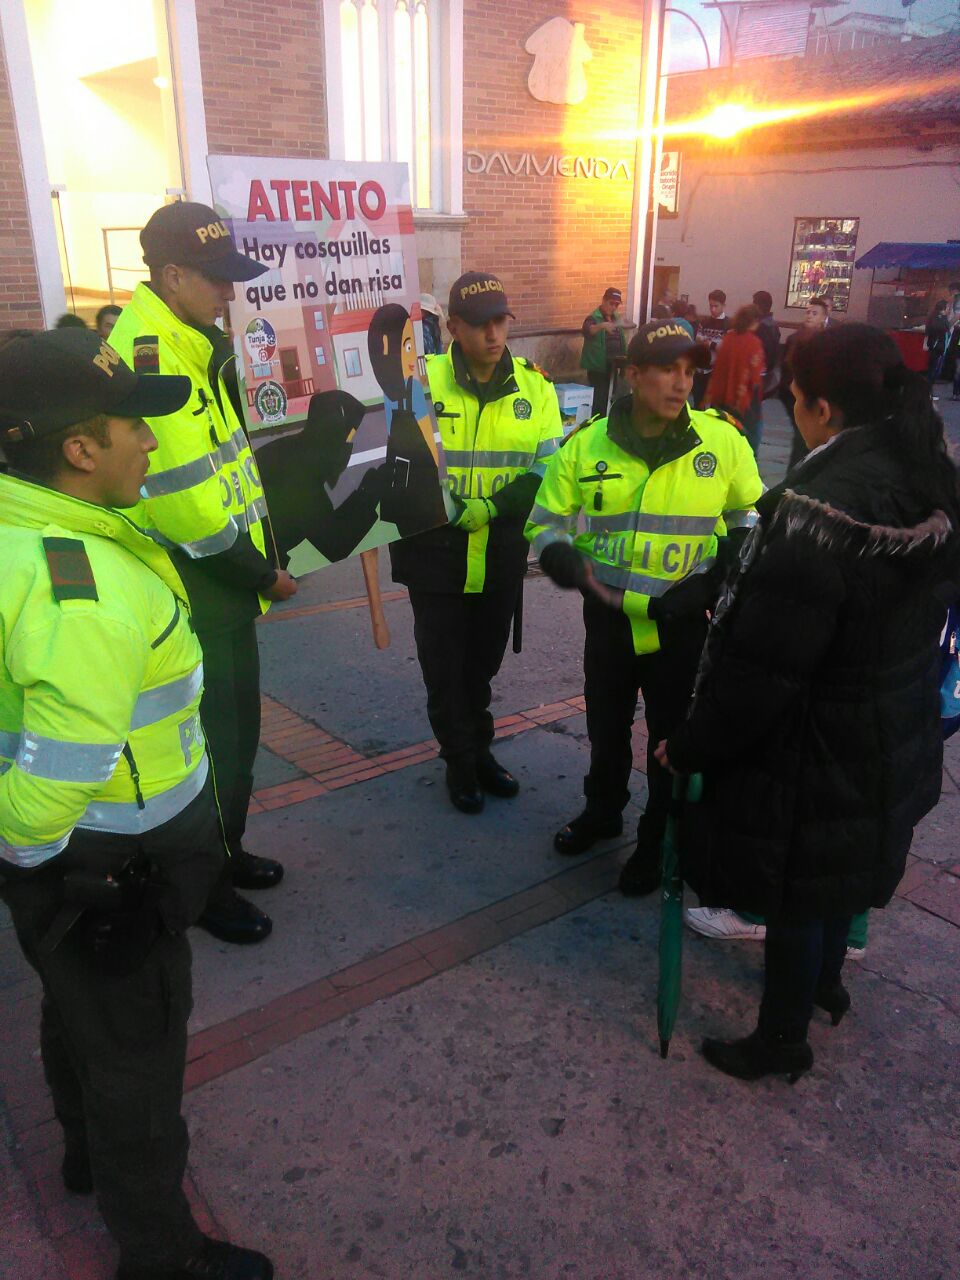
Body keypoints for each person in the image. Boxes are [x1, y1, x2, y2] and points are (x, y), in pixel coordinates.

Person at [0, 328, 273, 1279]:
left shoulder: (27, 533)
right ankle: (161, 1256)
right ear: (80, 449)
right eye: (134, 428)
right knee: (139, 1064)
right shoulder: (79, 585)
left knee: (76, 1014)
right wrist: (48, 874)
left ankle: (84, 1153)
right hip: (112, 862)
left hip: (82, 862)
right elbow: (53, 782)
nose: (152, 443)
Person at [656, 323, 959, 1081]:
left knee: (797, 889)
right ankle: (827, 986)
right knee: (836, 874)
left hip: (815, 742)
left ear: (822, 409)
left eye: (793, 398)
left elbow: (762, 672)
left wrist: (688, 745)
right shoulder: (925, 471)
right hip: (890, 720)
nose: (791, 410)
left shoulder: (821, 512)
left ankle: (781, 1040)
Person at [109, 202, 298, 947]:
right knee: (213, 745)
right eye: (216, 279)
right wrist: (263, 574)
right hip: (199, 586)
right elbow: (189, 507)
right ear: (171, 275)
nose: (229, 293)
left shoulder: (187, 342)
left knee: (232, 738)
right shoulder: (154, 356)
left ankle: (225, 853)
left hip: (218, 582)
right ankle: (205, 887)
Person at [526, 320, 763, 895]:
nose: (682, 383)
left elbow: (749, 516)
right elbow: (547, 519)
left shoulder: (722, 442)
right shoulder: (587, 443)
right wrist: (556, 553)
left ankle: (657, 838)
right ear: (633, 374)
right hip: (608, 620)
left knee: (669, 738)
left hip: (682, 623)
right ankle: (603, 811)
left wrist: (716, 579)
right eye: (666, 370)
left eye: (689, 371)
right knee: (606, 728)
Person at [390, 271, 563, 813]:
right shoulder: (419, 381)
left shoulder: (536, 388)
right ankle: (461, 761)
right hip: (434, 553)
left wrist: (493, 507)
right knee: (444, 668)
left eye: (501, 322)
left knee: (482, 664)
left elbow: (548, 469)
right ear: (453, 328)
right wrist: (444, 504)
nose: (493, 334)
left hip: (500, 551)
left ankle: (478, 749)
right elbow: (395, 462)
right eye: (480, 324)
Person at [703, 304, 766, 454]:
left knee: (723, 439)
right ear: (754, 321)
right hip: (744, 400)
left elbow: (719, 366)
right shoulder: (754, 342)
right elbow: (755, 376)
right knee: (751, 437)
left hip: (722, 396)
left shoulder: (729, 338)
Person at [780, 296, 829, 472]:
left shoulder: (827, 341)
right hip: (797, 396)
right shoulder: (795, 339)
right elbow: (785, 369)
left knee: (809, 441)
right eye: (808, 312)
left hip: (816, 397)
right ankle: (795, 474)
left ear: (823, 318)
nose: (809, 316)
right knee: (802, 438)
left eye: (814, 313)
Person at [580, 287, 628, 418]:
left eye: (616, 305)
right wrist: (602, 326)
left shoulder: (616, 318)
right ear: (603, 300)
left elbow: (622, 339)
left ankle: (607, 420)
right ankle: (597, 421)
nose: (613, 307)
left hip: (614, 365)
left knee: (611, 396)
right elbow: (587, 330)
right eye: (611, 303)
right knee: (599, 399)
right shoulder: (593, 317)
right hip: (598, 367)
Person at [692, 288, 729, 407]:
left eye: (716, 306)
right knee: (698, 402)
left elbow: (724, 349)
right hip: (701, 368)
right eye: (710, 306)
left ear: (723, 305)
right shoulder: (704, 322)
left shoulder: (729, 324)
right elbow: (698, 340)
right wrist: (714, 344)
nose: (713, 309)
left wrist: (709, 343)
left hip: (717, 370)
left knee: (714, 405)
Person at [751, 290, 781, 396]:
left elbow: (760, 351)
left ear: (757, 306)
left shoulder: (760, 327)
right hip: (770, 372)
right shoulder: (774, 325)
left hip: (760, 372)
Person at [925, 300, 951, 390]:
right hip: (936, 347)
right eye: (948, 307)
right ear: (943, 308)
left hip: (938, 346)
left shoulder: (938, 317)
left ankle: (929, 389)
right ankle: (928, 389)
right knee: (933, 369)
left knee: (933, 369)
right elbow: (940, 328)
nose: (949, 309)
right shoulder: (938, 318)